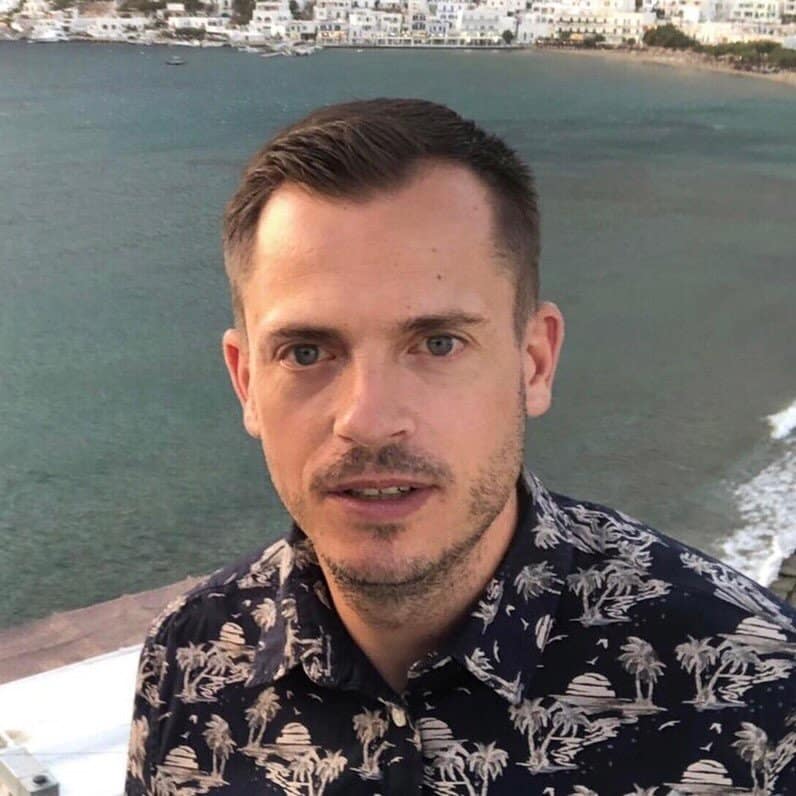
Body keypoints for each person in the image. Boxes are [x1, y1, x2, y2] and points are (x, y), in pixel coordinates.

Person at [125, 98, 795, 796]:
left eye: (438, 344)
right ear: (246, 384)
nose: (369, 419)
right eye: (305, 351)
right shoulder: (189, 660)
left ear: (534, 361)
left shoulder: (763, 692)